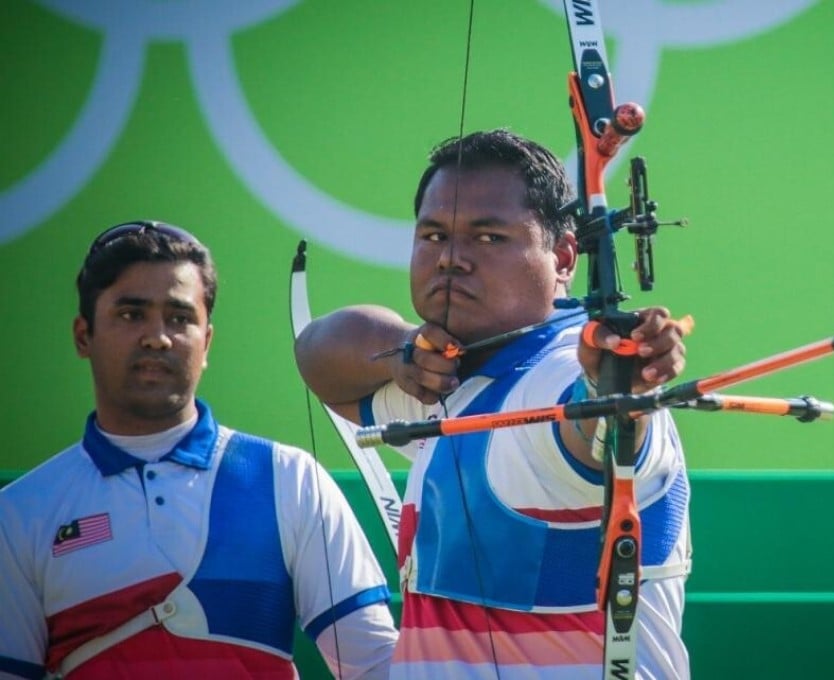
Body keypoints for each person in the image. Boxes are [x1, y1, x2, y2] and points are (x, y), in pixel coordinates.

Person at [294, 129, 693, 679]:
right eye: (434, 235)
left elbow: (593, 433)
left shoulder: (555, 376)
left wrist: (616, 389)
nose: (450, 259)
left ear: (564, 257)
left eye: (488, 238)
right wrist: (402, 351)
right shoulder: (447, 376)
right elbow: (319, 353)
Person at [0, 221, 397, 679]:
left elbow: (375, 665)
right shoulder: (20, 514)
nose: (158, 337)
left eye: (180, 317)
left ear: (206, 341)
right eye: (131, 314)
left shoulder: (288, 478)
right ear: (83, 335)